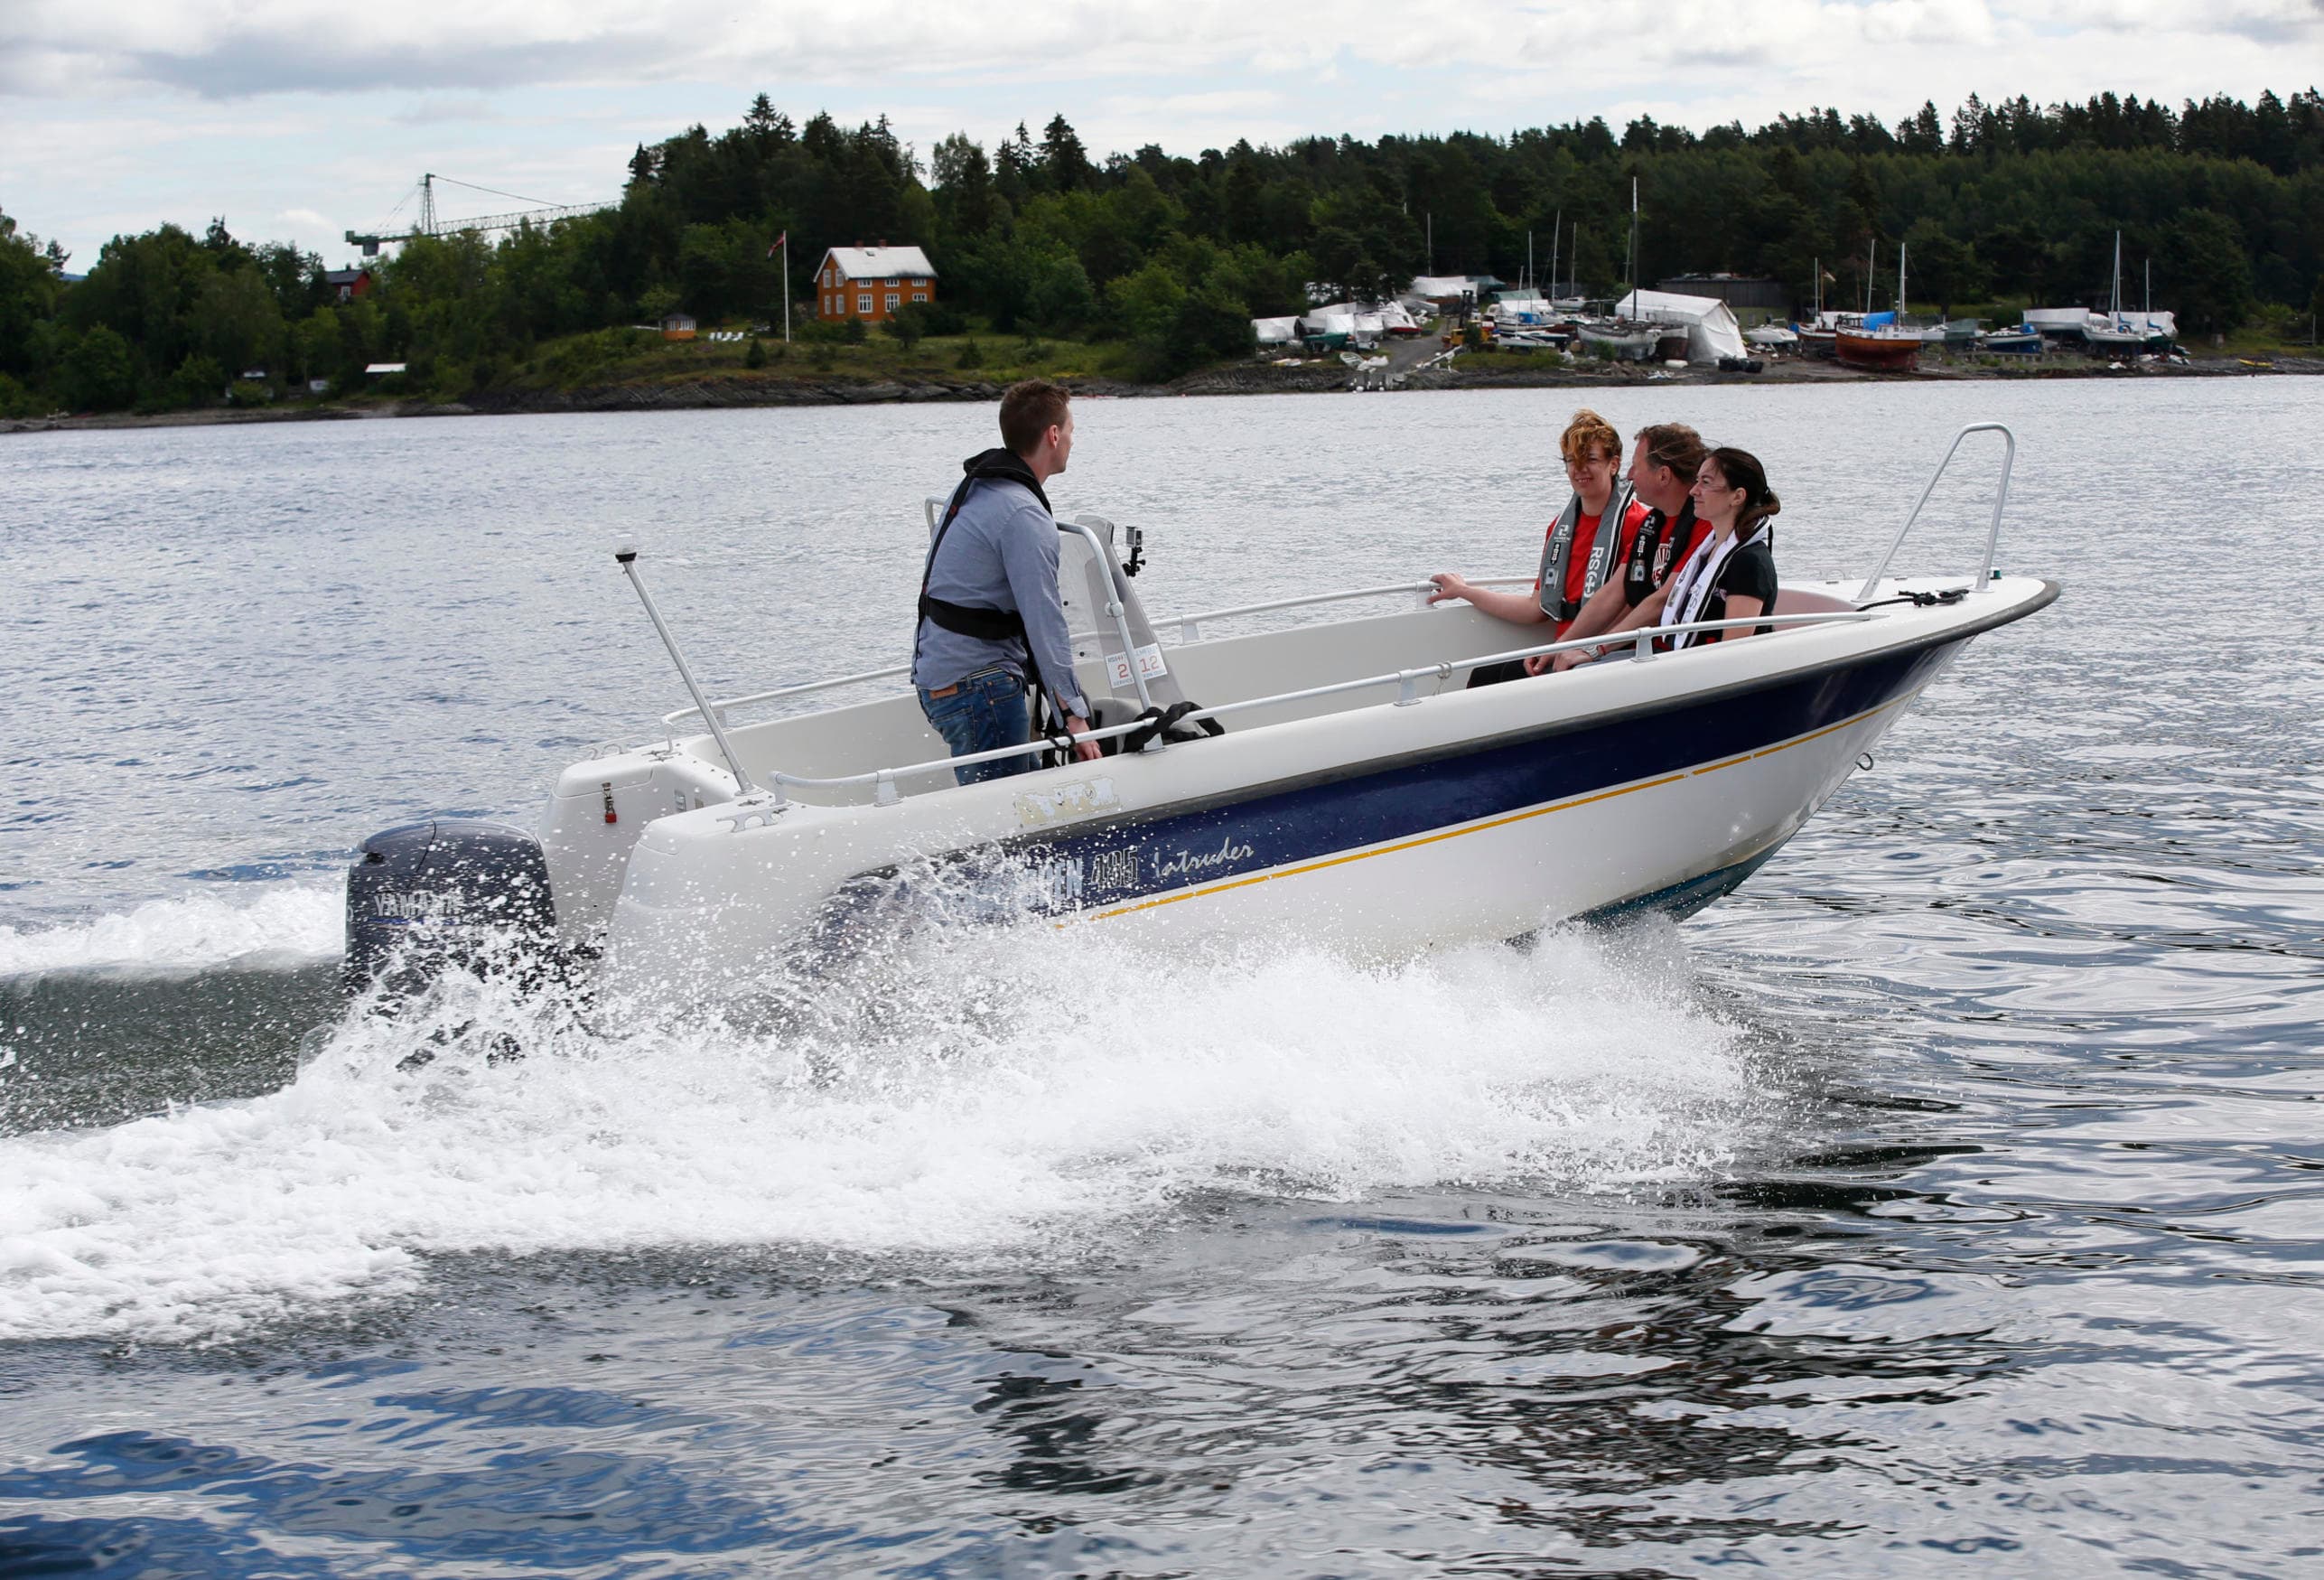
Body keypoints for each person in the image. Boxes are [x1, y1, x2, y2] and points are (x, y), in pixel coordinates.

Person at [912, 379, 1103, 785]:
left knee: (1025, 797)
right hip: (980, 688)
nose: (1073, 440)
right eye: (1072, 430)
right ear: (1054, 435)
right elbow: (1045, 621)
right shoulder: (1024, 516)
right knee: (1009, 814)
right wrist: (1073, 714)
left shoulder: (977, 487)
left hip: (941, 675)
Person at [1427, 408, 1647, 684]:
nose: (1579, 469)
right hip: (1562, 650)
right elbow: (1536, 608)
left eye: (1590, 459)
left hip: (1602, 655)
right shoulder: (1560, 529)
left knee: (1499, 683)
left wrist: (1585, 648)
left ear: (1613, 465)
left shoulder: (1638, 524)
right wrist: (1464, 591)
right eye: (1572, 460)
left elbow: (1636, 605)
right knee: (1483, 677)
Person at [1540, 422, 1710, 674]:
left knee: (1572, 673)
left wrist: (1595, 649)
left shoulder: (1705, 525)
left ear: (1663, 476)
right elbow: (1613, 592)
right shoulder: (1651, 526)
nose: (1629, 475)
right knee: (1504, 672)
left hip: (1684, 659)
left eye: (1636, 466)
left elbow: (1664, 600)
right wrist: (1560, 646)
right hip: (1648, 649)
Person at [1655, 446, 1780, 649]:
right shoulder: (1708, 551)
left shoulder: (1749, 562)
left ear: (1737, 497)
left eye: (1705, 482)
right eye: (1697, 481)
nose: (1693, 491)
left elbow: (1734, 648)